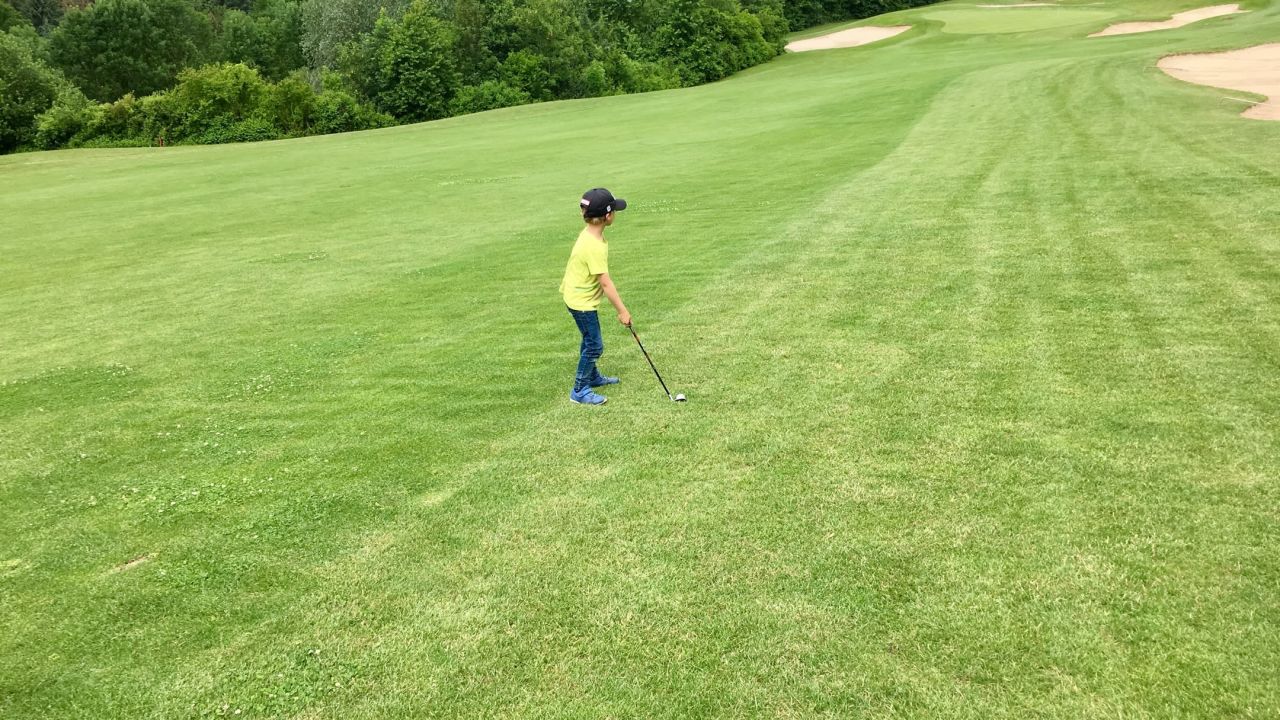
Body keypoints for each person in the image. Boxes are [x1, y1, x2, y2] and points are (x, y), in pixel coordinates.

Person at [560, 188, 631, 405]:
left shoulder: (591, 236)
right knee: (594, 345)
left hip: (577, 296)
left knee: (589, 339)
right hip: (580, 302)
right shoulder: (593, 246)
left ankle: (591, 376)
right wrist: (623, 311)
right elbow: (606, 283)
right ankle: (579, 389)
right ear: (608, 216)